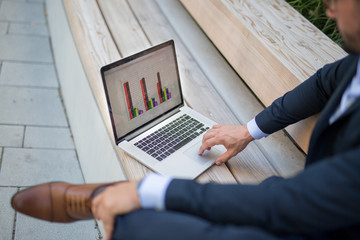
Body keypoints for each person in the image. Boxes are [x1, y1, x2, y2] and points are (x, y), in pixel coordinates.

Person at [11, 0, 360, 239]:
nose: (329, 8)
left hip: (324, 219)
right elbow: (325, 81)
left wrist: (147, 189)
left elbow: (287, 203)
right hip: (318, 202)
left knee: (143, 225)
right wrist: (248, 130)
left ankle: (102, 199)